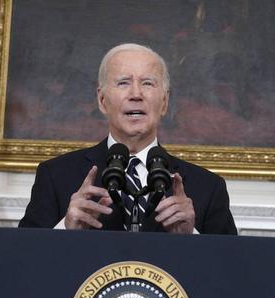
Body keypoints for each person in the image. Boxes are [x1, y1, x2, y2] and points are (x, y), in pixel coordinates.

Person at [19, 43, 237, 235]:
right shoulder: (55, 176)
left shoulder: (208, 188)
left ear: (164, 103)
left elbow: (231, 272)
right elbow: (22, 264)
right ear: (102, 100)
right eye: (123, 83)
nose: (136, 94)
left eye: (148, 83)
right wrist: (65, 230)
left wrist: (192, 237)